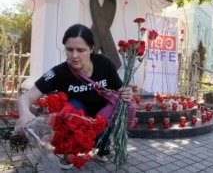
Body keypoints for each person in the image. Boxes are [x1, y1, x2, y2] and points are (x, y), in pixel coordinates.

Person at [14, 24, 135, 168]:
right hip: (76, 120)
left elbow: (120, 90)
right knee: (70, 108)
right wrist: (25, 115)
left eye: (81, 50)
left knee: (101, 133)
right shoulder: (59, 72)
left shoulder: (104, 64)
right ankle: (68, 152)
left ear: (91, 49)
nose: (74, 55)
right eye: (69, 50)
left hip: (101, 118)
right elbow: (25, 98)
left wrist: (127, 92)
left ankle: (103, 147)